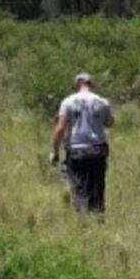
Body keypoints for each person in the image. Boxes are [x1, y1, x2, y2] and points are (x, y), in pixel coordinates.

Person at [50, 73, 114, 214]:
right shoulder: (102, 102)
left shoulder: (68, 102)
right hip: (98, 149)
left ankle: (82, 221)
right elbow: (110, 123)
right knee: (97, 186)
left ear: (76, 84)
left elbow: (60, 128)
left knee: (79, 187)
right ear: (92, 84)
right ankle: (97, 219)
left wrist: (55, 151)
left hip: (77, 150)